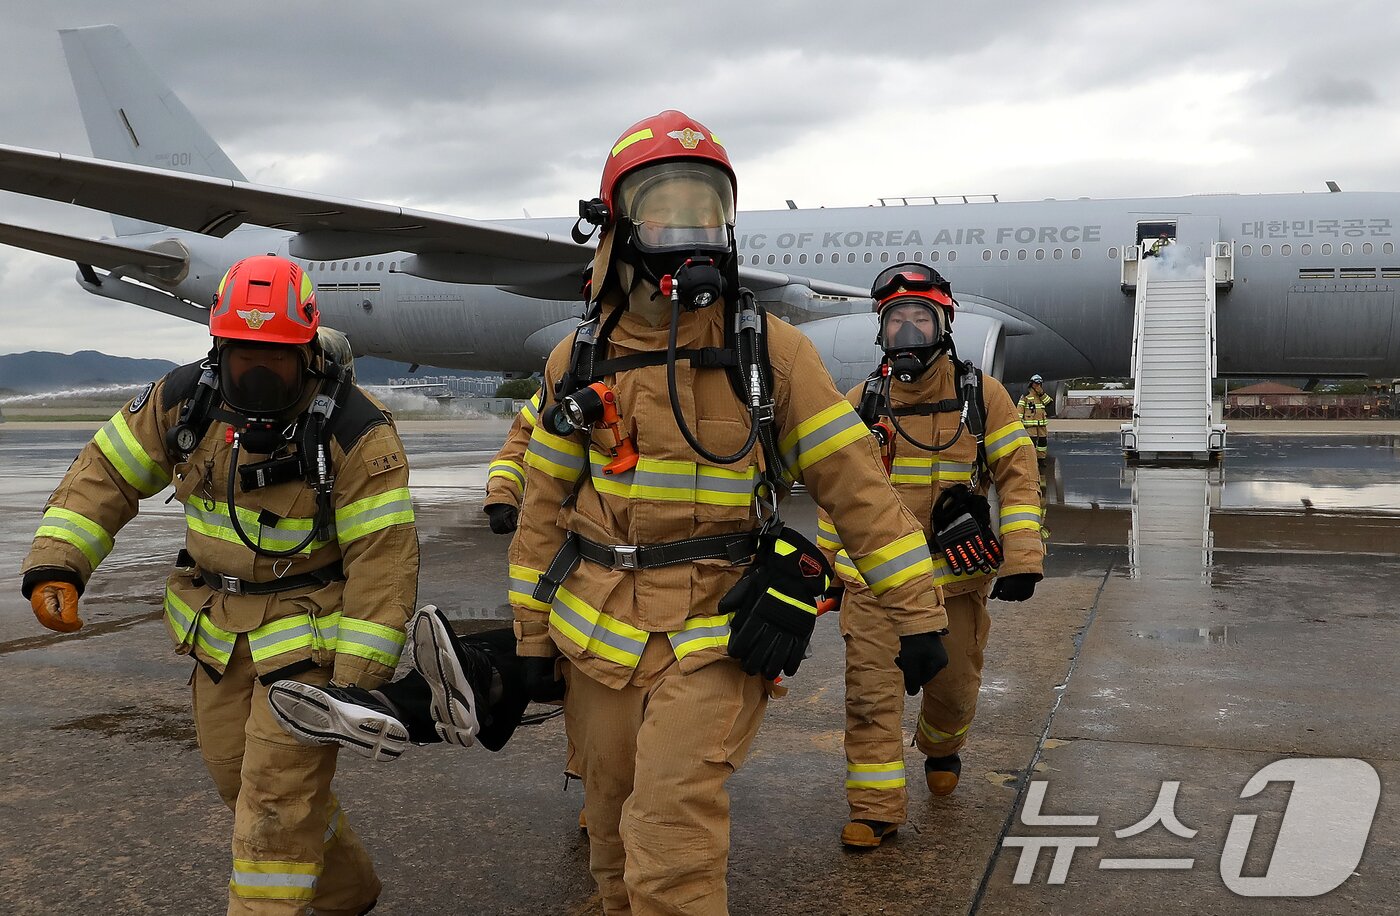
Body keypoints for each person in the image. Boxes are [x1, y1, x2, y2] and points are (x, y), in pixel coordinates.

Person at [508, 111, 951, 913]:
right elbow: (542, 509)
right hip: (597, 638)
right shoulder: (575, 359)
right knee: (608, 830)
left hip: (715, 635)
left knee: (671, 830)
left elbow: (858, 491)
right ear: (618, 226)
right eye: (665, 207)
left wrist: (918, 613)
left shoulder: (773, 353)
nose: (690, 230)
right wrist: (531, 638)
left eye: (708, 207)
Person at [21, 255, 418, 916]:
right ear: (218, 348)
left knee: (274, 807)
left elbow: (384, 564)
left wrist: (354, 684)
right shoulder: (185, 400)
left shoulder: (355, 431)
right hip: (217, 637)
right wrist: (60, 562)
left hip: (308, 643)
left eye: (276, 360)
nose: (257, 376)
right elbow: (105, 474)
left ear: (308, 352)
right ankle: (347, 893)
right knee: (238, 780)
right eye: (243, 358)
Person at [818, 263, 1045, 848]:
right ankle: (875, 809)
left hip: (956, 584)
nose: (910, 331)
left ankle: (941, 745)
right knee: (870, 699)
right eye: (898, 320)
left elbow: (1018, 477)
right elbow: (834, 494)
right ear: (881, 331)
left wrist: (1022, 556)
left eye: (922, 317)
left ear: (944, 324)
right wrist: (827, 569)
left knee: (954, 691)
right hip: (876, 588)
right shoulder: (860, 402)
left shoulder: (982, 396)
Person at [1017, 374, 1053, 460]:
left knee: (1042, 443)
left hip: (1041, 425)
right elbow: (1020, 409)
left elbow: (1049, 403)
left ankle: (1041, 459)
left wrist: (1041, 393)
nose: (1038, 386)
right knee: (1031, 443)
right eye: (1036, 384)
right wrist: (1018, 422)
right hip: (1030, 426)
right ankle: (1031, 460)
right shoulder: (1026, 396)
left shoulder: (1042, 395)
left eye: (1040, 384)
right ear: (1031, 384)